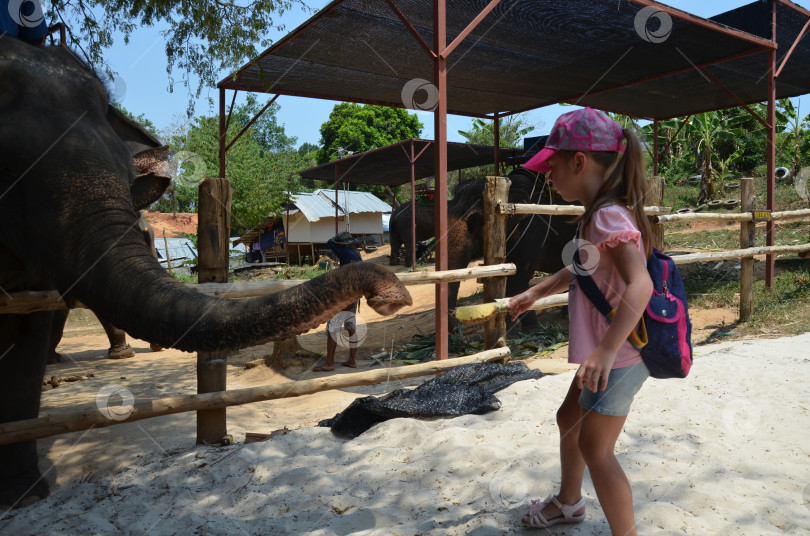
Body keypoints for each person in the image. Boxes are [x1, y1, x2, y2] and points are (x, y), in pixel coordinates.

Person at [506, 107, 653, 535]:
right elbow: (582, 268)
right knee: (569, 418)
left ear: (578, 161)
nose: (546, 173)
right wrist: (536, 291)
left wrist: (606, 350)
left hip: (620, 354)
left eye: (551, 163)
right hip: (608, 353)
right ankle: (569, 504)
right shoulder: (598, 214)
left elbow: (639, 285)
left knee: (596, 447)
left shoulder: (608, 216)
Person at [312, 231, 363, 372]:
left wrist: (336, 240)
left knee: (332, 328)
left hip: (343, 295)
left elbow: (329, 242)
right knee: (351, 327)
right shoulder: (357, 254)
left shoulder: (345, 252)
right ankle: (352, 360)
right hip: (355, 294)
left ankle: (329, 363)